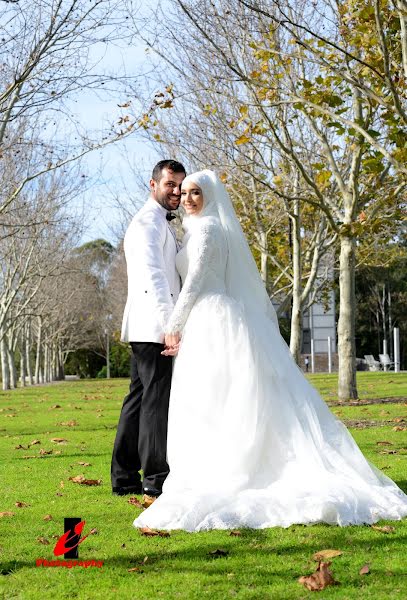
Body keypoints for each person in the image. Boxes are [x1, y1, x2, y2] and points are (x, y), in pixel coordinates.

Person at [133, 169, 407, 531]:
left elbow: (198, 278)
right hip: (206, 320)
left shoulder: (210, 229)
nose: (188, 198)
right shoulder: (194, 230)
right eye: (184, 192)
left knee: (220, 396)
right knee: (210, 398)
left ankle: (230, 468)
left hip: (212, 318)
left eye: (196, 192)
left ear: (210, 196)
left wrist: (174, 324)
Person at [111, 159, 186, 501]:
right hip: (154, 326)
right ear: (153, 184)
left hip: (146, 326)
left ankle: (124, 476)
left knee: (138, 401)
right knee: (156, 403)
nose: (176, 191)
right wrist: (169, 325)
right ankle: (155, 480)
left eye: (179, 185)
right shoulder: (146, 224)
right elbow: (152, 279)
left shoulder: (160, 223)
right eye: (170, 184)